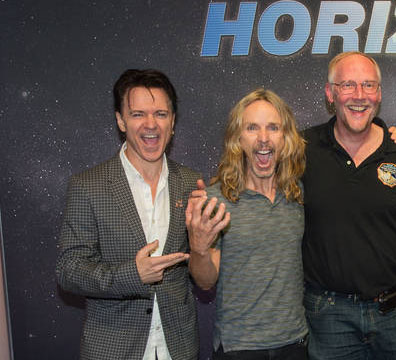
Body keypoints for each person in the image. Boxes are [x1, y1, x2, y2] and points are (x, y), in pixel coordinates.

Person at [301, 51, 396, 359]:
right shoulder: (302, 150)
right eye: (348, 85)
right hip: (329, 317)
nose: (359, 95)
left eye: (368, 85)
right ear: (330, 93)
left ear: (379, 94)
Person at [56, 69, 200, 359]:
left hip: (179, 347)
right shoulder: (88, 185)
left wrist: (203, 244)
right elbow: (68, 270)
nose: (151, 124)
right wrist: (132, 275)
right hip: (114, 348)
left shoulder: (191, 183)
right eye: (137, 114)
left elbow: (201, 270)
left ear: (172, 121)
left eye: (161, 114)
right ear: (121, 120)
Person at [186, 88, 308, 359]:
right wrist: (199, 248)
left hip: (295, 343)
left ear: (286, 137)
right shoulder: (215, 199)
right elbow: (205, 283)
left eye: (273, 128)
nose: (263, 139)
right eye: (252, 128)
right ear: (238, 138)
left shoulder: (297, 193)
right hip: (238, 348)